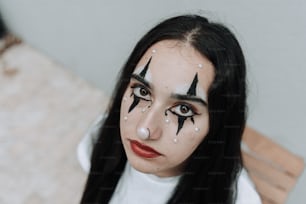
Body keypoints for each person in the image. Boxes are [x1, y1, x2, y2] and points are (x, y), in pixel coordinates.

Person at [79, 14, 262, 204]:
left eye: (183, 109)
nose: (145, 130)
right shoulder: (101, 138)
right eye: (142, 91)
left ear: (218, 122)